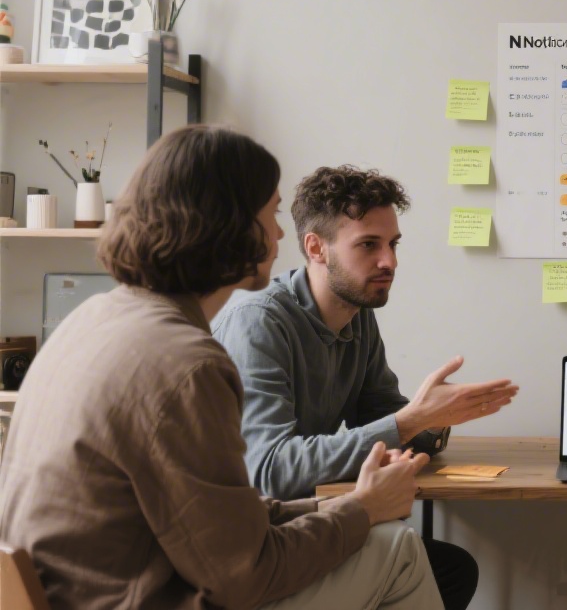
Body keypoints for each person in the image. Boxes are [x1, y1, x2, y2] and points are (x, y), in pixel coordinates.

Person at [0, 126, 442, 609]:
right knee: (397, 548)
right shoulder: (185, 363)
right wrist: (360, 510)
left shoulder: (95, 318)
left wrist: (342, 505)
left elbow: (218, 517)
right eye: (271, 213)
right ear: (225, 225)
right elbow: (244, 574)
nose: (278, 234)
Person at [213, 164, 518, 610]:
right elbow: (271, 471)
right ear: (316, 248)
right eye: (369, 245)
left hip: (302, 523)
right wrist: (414, 419)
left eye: (392, 244)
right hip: (249, 545)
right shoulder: (257, 324)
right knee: (426, 561)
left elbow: (381, 412)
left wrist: (438, 419)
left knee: (452, 569)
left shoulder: (358, 315)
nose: (389, 261)